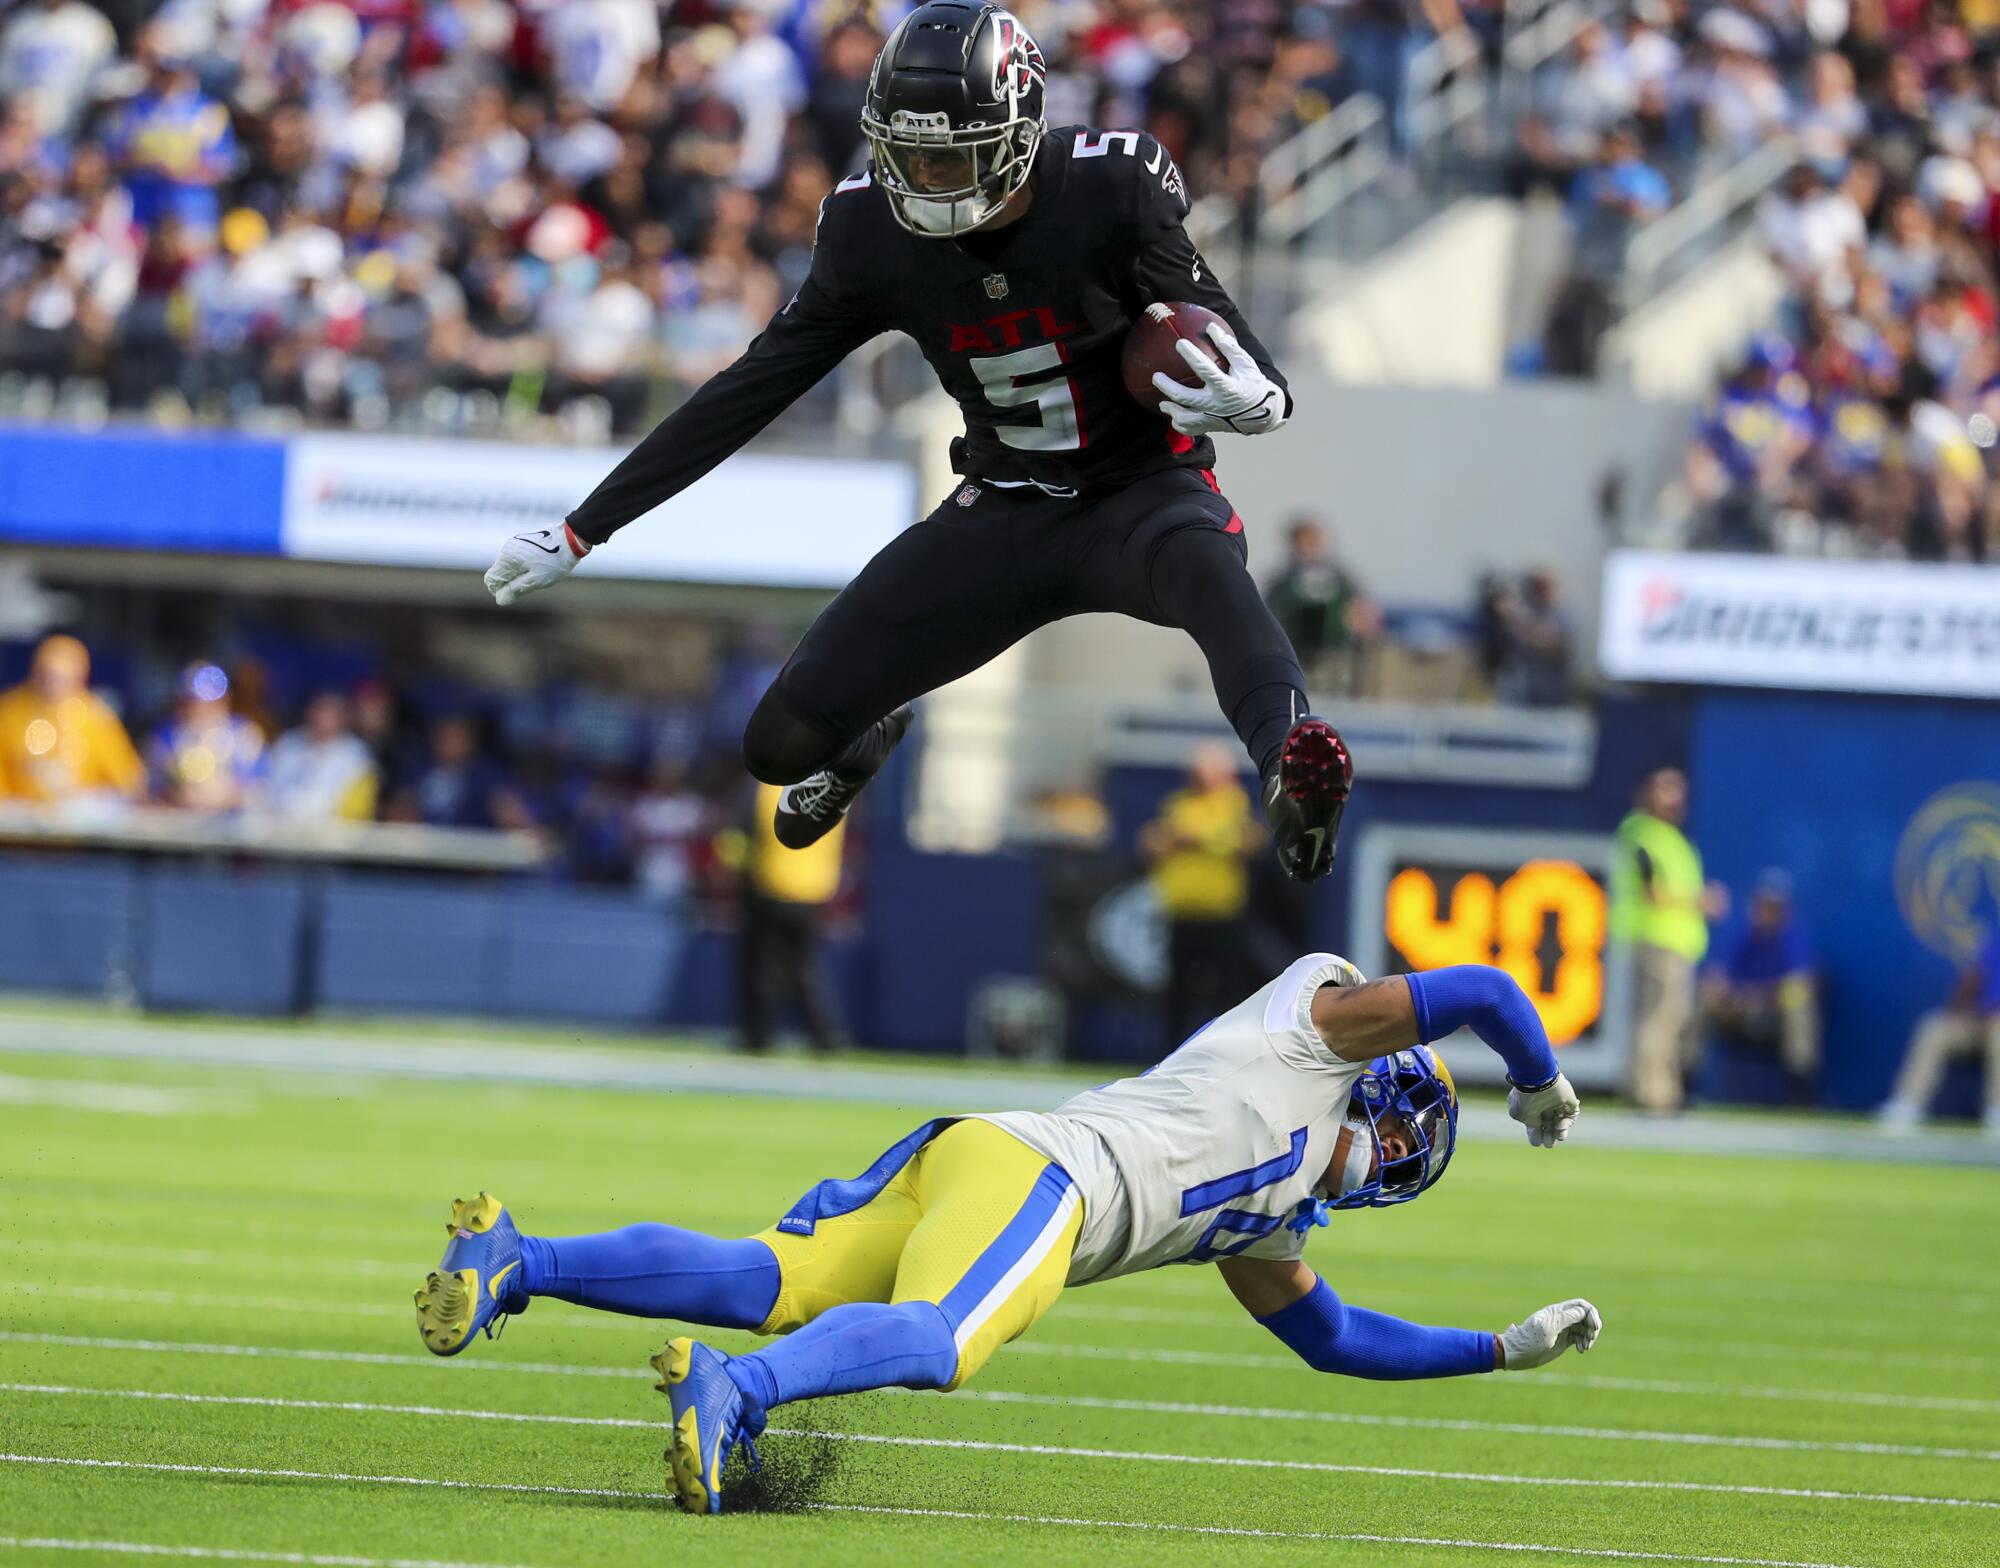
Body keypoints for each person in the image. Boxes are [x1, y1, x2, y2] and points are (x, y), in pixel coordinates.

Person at [481, 2, 1351, 887]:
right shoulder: (870, 235)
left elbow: (1230, 339)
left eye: (951, 153)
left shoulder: (1109, 189)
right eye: (910, 152)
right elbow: (749, 389)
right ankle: (861, 738)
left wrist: (1263, 401)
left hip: (1142, 495)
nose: (927, 177)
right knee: (774, 746)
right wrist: (588, 526)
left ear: (1018, 130)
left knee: (1216, 584)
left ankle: (1293, 770)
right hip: (1001, 512)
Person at [412, 954, 1597, 1514]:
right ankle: (734, 1393)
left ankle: (522, 1258)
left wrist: (1497, 1348)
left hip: (984, 1153)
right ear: (1388, 1107)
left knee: (771, 1272)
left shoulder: (1269, 1218)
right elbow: (1489, 989)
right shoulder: (1317, 1034)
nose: (1385, 1171)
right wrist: (1537, 1080)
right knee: (940, 1340)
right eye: (1400, 1150)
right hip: (1049, 1178)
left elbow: (1336, 1339)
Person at [1610, 767, 1719, 1113]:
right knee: (1657, 1018)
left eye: (1677, 790)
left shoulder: (1671, 838)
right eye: (1664, 790)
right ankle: (1650, 1093)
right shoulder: (1642, 834)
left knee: (1671, 1019)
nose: (1672, 798)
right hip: (1656, 940)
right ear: (1648, 793)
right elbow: (1651, 893)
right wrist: (1698, 901)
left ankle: (1663, 1090)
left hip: (1677, 943)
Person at [1141, 741, 1259, 1049]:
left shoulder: (1234, 803)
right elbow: (1155, 842)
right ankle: (1169, 1055)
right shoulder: (1178, 803)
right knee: (1176, 995)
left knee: (1227, 993)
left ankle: (1226, 1051)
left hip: (1221, 916)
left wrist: (1196, 838)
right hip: (1181, 914)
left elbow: (1245, 842)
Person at [736, 779, 849, 1055]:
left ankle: (759, 1036)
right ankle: (824, 1035)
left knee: (762, 967)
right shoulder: (833, 783)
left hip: (772, 884)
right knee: (801, 967)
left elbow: (749, 830)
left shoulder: (769, 785)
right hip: (814, 890)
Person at [1701, 869, 1818, 1104]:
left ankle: (1800, 1090)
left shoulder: (1792, 935)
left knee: (1800, 1009)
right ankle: (1686, 1079)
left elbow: (1800, 985)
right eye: (1764, 905)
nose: (1768, 912)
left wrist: (1761, 998)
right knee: (1702, 1000)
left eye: (1774, 907)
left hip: (1774, 1010)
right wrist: (1731, 995)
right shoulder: (1741, 930)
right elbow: (1717, 975)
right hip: (1738, 1007)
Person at [1878, 926, 2000, 1136]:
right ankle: (1907, 1106)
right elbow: (1974, 977)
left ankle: (1997, 1110)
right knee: (1934, 1028)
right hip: (1979, 1021)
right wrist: (1958, 1011)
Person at [0, 634, 144, 804]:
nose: (53, 684)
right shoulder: (9, 711)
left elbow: (127, 779)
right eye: (47, 675)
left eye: (62, 677)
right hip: (18, 817)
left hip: (79, 820)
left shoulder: (96, 717)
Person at [1262, 516, 1381, 697]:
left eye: (1315, 541)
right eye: (1306, 541)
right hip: (1295, 656)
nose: (1312, 548)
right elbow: (1267, 618)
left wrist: (1359, 620)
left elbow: (1364, 613)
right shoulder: (1281, 583)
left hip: (1336, 658)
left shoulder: (1342, 579)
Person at [146, 661, 265, 811]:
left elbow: (258, 787)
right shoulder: (166, 735)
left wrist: (221, 798)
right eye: (190, 701)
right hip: (178, 819)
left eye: (208, 701)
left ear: (224, 701)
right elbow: (152, 786)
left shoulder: (243, 733)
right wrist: (177, 795)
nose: (198, 707)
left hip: (229, 822)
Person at [262, 690, 379, 823]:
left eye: (330, 712)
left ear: (343, 718)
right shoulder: (288, 744)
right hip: (277, 832)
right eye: (320, 710)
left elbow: (356, 814)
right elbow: (265, 787)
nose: (323, 718)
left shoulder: (358, 756)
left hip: (330, 838)